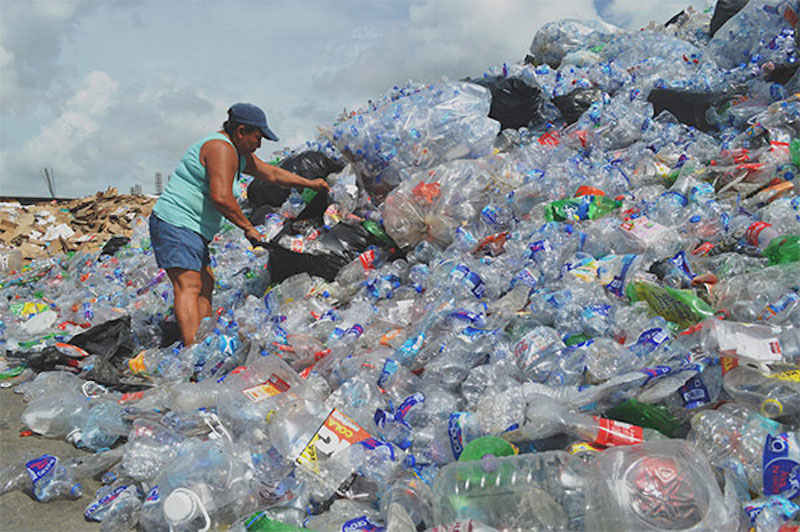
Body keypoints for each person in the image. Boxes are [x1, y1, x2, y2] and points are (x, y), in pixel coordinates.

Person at [149, 102, 329, 346]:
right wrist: (248, 227)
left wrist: (310, 184)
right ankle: (192, 352)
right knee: (189, 285)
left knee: (206, 284)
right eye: (257, 137)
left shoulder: (237, 154)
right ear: (241, 131)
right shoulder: (220, 149)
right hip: (176, 222)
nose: (259, 144)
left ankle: (203, 342)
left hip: (193, 228)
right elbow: (221, 197)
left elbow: (273, 174)